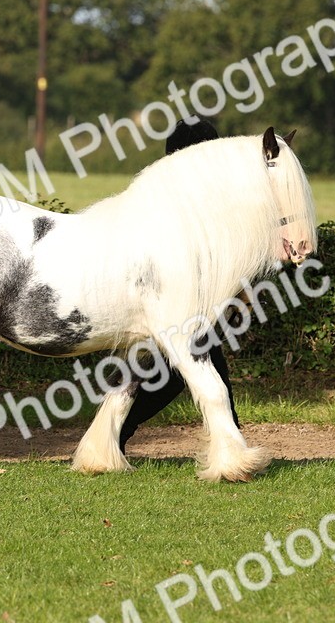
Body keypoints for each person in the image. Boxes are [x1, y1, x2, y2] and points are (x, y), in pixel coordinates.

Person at [117, 118, 242, 452]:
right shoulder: (194, 199)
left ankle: (232, 436)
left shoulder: (163, 190)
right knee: (173, 375)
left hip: (188, 305)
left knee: (198, 368)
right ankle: (115, 431)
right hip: (180, 306)